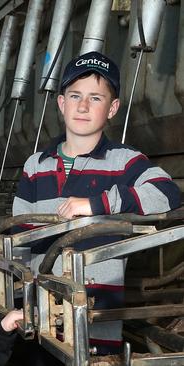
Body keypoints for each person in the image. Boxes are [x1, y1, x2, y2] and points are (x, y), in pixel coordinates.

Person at [13, 51, 181, 355]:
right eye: (75, 96)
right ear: (61, 103)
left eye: (96, 98)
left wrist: (98, 203)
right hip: (41, 318)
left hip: (97, 322)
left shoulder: (124, 161)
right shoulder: (35, 166)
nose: (83, 106)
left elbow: (168, 192)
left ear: (113, 108)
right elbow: (20, 240)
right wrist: (21, 302)